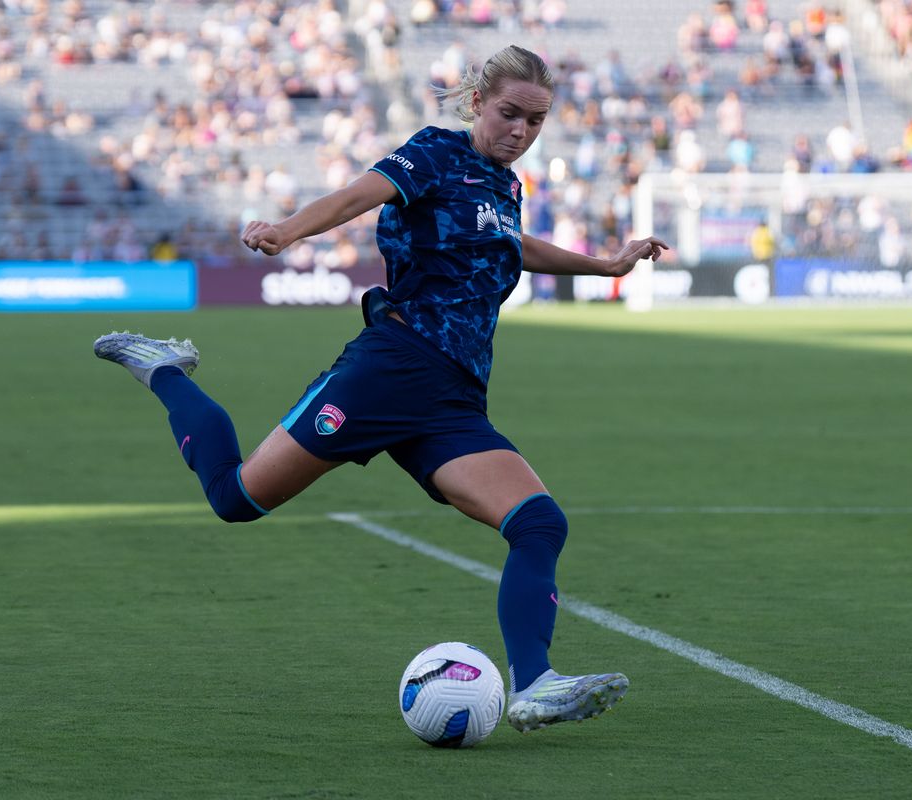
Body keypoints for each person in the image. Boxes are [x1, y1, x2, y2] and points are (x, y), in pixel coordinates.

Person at [94, 45, 669, 734]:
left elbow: (514, 246)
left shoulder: (505, 187)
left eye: (536, 121)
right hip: (390, 368)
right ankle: (162, 369)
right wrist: (288, 228)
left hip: (453, 396)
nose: (520, 130)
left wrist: (606, 265)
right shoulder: (432, 153)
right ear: (478, 102)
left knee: (539, 522)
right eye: (510, 114)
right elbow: (354, 197)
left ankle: (536, 683)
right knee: (236, 499)